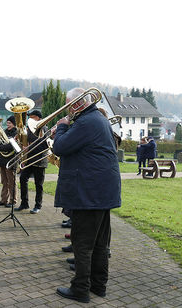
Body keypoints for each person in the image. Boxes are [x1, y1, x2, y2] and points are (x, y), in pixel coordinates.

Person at [53, 88, 121, 303]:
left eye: (68, 104)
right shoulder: (96, 119)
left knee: (82, 243)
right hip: (102, 191)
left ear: (76, 104)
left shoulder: (86, 122)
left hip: (89, 192)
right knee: (100, 243)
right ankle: (98, 286)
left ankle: (80, 289)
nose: (67, 109)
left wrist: (62, 127)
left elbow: (60, 147)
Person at [15, 110, 49, 213]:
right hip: (29, 159)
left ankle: (38, 205)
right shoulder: (30, 128)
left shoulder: (44, 128)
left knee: (38, 184)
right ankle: (24, 203)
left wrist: (28, 147)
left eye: (32, 117)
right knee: (22, 179)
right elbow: (26, 140)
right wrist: (20, 140)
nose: (30, 119)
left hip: (39, 160)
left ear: (38, 118)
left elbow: (43, 145)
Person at [0, 115, 18, 207]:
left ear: (14, 124)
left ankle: (13, 200)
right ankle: (4, 199)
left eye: (10, 123)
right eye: (7, 123)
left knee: (11, 181)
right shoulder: (5, 132)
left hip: (11, 160)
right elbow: (0, 142)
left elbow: (11, 146)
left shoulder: (16, 133)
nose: (8, 125)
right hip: (2, 159)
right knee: (4, 181)